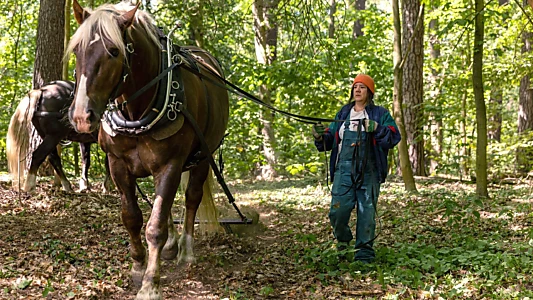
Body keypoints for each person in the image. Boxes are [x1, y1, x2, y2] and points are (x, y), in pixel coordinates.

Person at [312, 74, 401, 263]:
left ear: (370, 91)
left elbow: (394, 137)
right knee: (337, 212)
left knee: (366, 213)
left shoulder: (379, 114)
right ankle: (343, 242)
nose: (358, 90)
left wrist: (377, 128)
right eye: (355, 87)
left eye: (362, 87)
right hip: (343, 171)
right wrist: (320, 137)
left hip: (369, 171)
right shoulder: (344, 113)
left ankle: (364, 254)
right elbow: (330, 139)